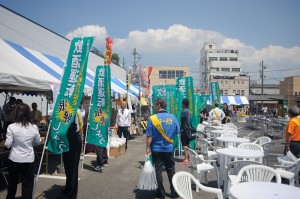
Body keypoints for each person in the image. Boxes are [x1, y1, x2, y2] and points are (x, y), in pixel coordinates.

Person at [5, 103, 42, 199]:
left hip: (14, 159)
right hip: (28, 159)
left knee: (12, 183)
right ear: (28, 114)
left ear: (16, 114)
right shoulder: (34, 127)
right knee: (28, 185)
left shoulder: (11, 127)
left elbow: (8, 144)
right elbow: (38, 142)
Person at [146, 98, 179, 199]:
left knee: (158, 170)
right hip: (168, 148)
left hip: (156, 149)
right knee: (171, 170)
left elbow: (149, 136)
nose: (155, 107)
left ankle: (161, 193)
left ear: (159, 106)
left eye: (155, 105)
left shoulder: (152, 118)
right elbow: (177, 131)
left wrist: (147, 147)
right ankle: (174, 192)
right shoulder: (172, 118)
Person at [59, 109, 83, 199]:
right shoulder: (71, 109)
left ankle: (71, 194)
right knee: (68, 166)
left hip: (73, 139)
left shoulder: (74, 110)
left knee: (72, 168)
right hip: (69, 138)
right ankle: (68, 188)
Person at [179, 99, 191, 165]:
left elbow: (180, 119)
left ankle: (186, 159)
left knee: (185, 145)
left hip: (184, 130)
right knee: (188, 144)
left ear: (183, 104)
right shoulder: (188, 111)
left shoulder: (184, 111)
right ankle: (188, 158)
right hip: (188, 130)